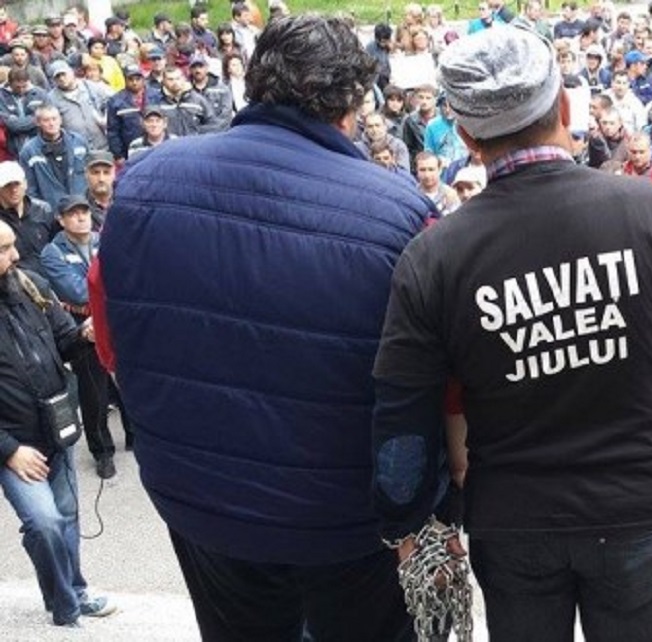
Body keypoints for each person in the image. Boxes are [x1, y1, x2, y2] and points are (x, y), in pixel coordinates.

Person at [371, 25, 652, 641]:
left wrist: (408, 522)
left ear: (466, 137)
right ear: (565, 109)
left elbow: (401, 425)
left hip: (516, 522)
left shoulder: (434, 257)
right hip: (640, 504)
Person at [97, 16, 431, 640]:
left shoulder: (142, 185)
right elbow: (423, 386)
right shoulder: (398, 214)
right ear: (352, 105)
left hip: (202, 501)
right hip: (343, 521)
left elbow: (113, 345)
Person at [0, 219, 117, 628]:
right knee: (45, 523)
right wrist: (10, 451)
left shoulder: (31, 285)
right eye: (3, 250)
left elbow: (65, 340)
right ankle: (65, 606)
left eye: (12, 245)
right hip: (15, 446)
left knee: (65, 519)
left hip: (57, 428)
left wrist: (86, 334)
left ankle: (73, 596)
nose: (15, 255)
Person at [40, 195, 132, 479]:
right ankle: (102, 452)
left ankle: (134, 436)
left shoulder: (104, 240)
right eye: (72, 213)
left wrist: (98, 297)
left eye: (84, 212)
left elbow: (125, 278)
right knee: (94, 394)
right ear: (61, 219)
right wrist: (102, 296)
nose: (81, 217)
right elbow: (78, 292)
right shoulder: (51, 253)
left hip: (114, 321)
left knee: (127, 383)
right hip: (82, 329)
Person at [19, 105, 89, 209]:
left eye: (54, 119)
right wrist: (41, 210)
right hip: (51, 211)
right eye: (46, 120)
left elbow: (90, 173)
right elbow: (30, 189)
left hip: (81, 206)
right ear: (38, 123)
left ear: (60, 120)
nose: (51, 123)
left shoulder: (78, 142)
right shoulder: (29, 151)